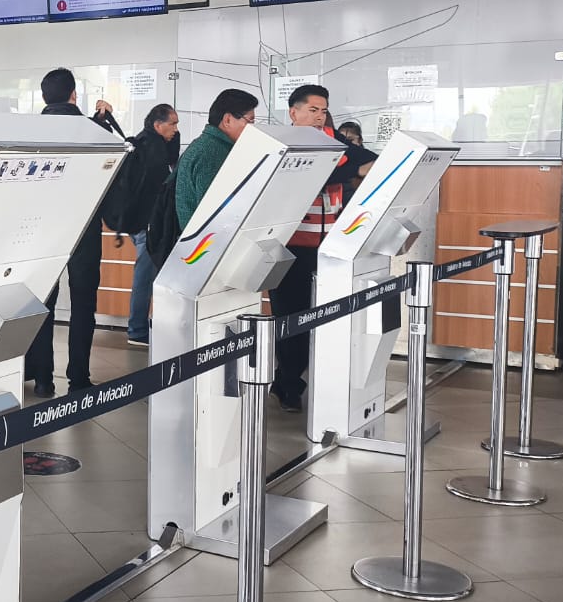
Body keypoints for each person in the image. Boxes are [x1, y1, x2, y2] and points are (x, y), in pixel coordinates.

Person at [267, 85, 377, 412]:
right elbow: (313, 176)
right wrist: (350, 171)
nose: (319, 116)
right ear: (294, 112)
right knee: (291, 318)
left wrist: (351, 169)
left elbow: (369, 161)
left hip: (328, 247)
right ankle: (288, 385)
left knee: (321, 319)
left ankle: (294, 381)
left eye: (324, 110)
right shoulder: (283, 144)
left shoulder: (333, 141)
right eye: (312, 110)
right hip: (290, 246)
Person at [27, 68, 123, 398]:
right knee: (83, 304)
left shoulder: (30, 132)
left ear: (44, 97)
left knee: (43, 303)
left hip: (41, 229)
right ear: (74, 95)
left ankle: (43, 379)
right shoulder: (93, 130)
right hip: (84, 227)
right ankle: (78, 378)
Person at [125, 103, 181, 347]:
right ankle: (137, 330)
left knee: (149, 275)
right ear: (158, 125)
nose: (176, 130)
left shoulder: (148, 143)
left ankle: (143, 326)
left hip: (142, 222)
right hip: (147, 224)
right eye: (173, 124)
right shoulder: (151, 148)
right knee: (145, 277)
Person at [177, 89, 260, 227]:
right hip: (207, 238)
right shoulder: (212, 152)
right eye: (250, 121)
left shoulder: (210, 144)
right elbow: (214, 214)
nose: (252, 127)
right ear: (227, 120)